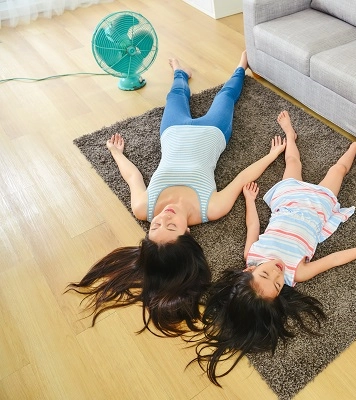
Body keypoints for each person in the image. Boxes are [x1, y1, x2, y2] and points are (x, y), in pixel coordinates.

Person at [66, 51, 287, 337]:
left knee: (175, 97)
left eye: (155, 226)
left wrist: (116, 153)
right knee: (226, 96)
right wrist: (272, 155)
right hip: (213, 132)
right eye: (170, 226)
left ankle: (180, 72)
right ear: (187, 234)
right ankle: (240, 65)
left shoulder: (144, 208)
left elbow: (133, 176)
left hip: (172, 133)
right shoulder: (211, 209)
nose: (163, 217)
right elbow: (242, 177)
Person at [194, 110, 356, 385]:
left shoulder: (253, 254)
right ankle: (354, 147)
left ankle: (290, 134)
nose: (277, 272)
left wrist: (250, 200)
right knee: (338, 170)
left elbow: (253, 227)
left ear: (248, 269)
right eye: (277, 284)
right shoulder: (296, 274)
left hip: (288, 200)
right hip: (317, 210)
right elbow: (333, 260)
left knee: (292, 159)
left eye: (265, 275)